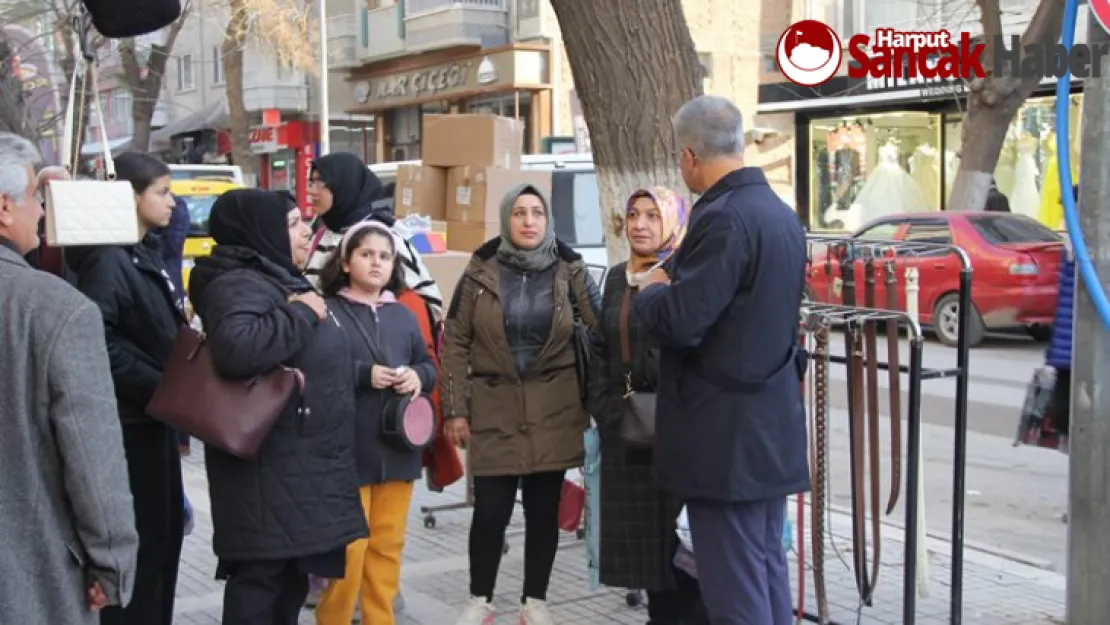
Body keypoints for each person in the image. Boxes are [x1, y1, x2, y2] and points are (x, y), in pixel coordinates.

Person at [633, 95, 810, 625]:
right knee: (763, 568)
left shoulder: (725, 219)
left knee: (734, 587)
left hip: (725, 434)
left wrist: (650, 290)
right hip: (767, 424)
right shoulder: (780, 213)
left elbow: (684, 320)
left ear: (689, 156)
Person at [187, 188, 367, 625]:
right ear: (260, 231)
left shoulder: (274, 275)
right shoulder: (238, 282)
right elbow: (238, 348)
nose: (307, 231)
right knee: (262, 581)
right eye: (292, 224)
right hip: (267, 469)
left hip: (293, 464)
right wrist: (303, 314)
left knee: (285, 579)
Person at [440, 183, 601, 625]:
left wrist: (578, 266)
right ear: (506, 218)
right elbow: (454, 339)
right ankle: (480, 598)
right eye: (520, 213)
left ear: (548, 221)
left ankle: (536, 602)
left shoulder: (568, 269)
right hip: (494, 407)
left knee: (542, 511)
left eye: (537, 213)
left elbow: (599, 324)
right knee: (490, 510)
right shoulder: (479, 271)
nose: (529, 221)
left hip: (555, 406)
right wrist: (454, 408)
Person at [0, 132, 139, 624]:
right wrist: (112, 562)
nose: (41, 211)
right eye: (36, 198)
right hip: (29, 573)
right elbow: (92, 456)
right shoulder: (57, 311)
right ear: (4, 206)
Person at [66, 151, 187, 625]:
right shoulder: (109, 260)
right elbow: (99, 339)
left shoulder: (141, 251)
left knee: (165, 539)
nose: (172, 202)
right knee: (144, 545)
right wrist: (159, 385)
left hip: (155, 417)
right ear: (130, 197)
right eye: (161, 191)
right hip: (130, 424)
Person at [590, 187, 706, 625]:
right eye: (634, 215)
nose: (640, 224)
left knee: (687, 557)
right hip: (630, 434)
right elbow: (601, 349)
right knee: (649, 562)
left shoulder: (685, 275)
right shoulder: (619, 277)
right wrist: (607, 410)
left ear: (673, 222)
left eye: (653, 216)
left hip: (679, 433)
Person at [315, 221, 437, 625]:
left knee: (387, 546)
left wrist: (419, 376)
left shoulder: (403, 314)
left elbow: (427, 364)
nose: (376, 263)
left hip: (398, 449)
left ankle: (379, 619)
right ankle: (332, 618)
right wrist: (362, 374)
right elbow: (314, 371)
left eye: (385, 256)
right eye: (366, 254)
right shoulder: (328, 311)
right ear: (346, 261)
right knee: (349, 547)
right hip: (347, 449)